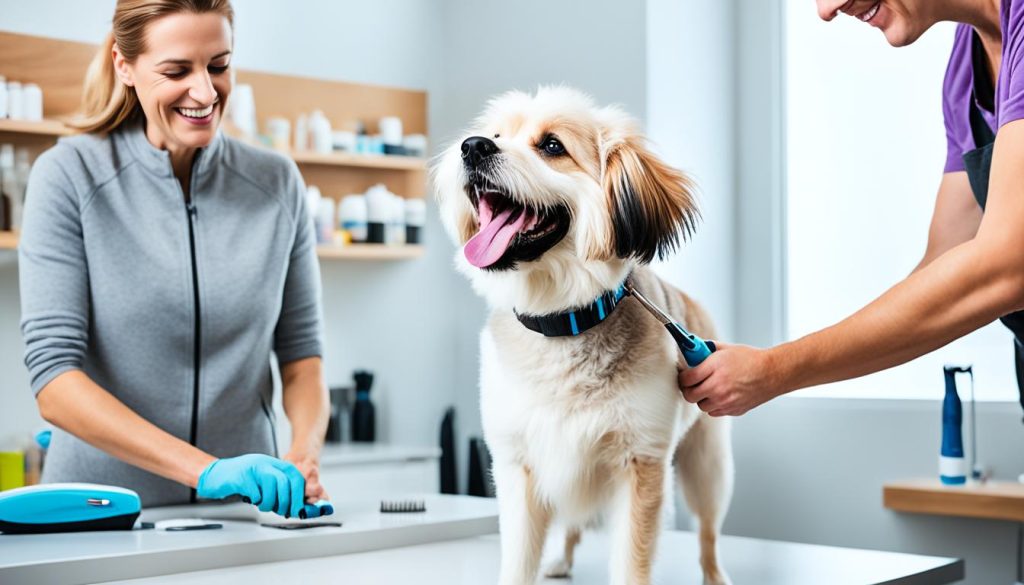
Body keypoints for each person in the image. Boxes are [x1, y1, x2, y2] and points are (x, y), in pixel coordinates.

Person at [19, 0, 329, 517]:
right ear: (125, 66)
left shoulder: (277, 183)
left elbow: (302, 357)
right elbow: (55, 381)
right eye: (176, 70)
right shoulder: (68, 177)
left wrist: (303, 456)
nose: (206, 92)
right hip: (104, 514)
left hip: (241, 514)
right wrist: (205, 470)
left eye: (219, 66)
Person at [681, 0, 1024, 418]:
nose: (827, 9)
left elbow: (1007, 266)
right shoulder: (965, 74)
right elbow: (946, 263)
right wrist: (764, 364)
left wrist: (775, 370)